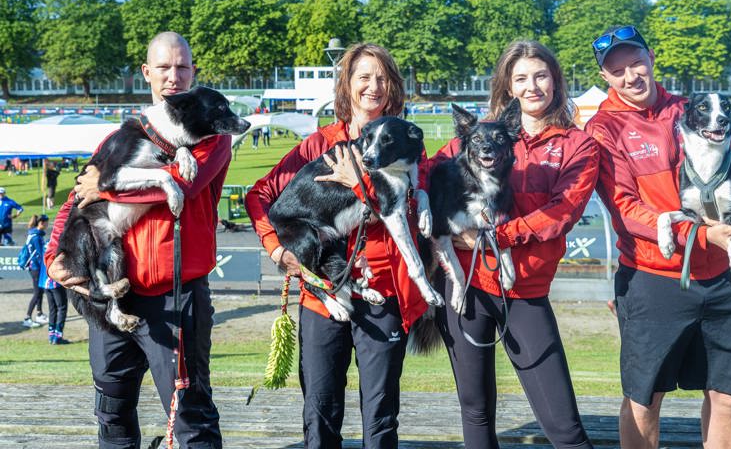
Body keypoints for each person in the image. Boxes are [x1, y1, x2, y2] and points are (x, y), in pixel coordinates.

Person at [584, 25, 731, 449]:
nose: (631, 75)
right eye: (617, 70)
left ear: (651, 58)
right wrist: (706, 236)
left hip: (723, 276)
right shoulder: (603, 128)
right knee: (644, 400)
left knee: (729, 399)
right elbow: (627, 211)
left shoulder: (698, 109)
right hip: (654, 278)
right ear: (605, 79)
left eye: (636, 62)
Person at [45, 31, 226, 448]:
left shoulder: (211, 133)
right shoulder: (119, 137)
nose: (173, 77)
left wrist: (105, 187)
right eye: (163, 67)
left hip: (175, 297)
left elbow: (184, 184)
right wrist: (55, 253)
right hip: (115, 295)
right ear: (147, 72)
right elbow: (77, 197)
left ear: (194, 72)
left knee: (190, 417)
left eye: (182, 67)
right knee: (112, 411)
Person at [246, 42, 428, 449]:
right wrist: (277, 249)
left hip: (384, 294)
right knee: (321, 411)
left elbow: (416, 215)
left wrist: (359, 186)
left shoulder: (406, 143)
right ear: (347, 84)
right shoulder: (318, 144)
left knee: (381, 415)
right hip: (323, 299)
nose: (373, 86)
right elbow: (259, 195)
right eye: (363, 76)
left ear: (393, 86)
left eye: (382, 77)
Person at [427, 40, 598, 449]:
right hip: (465, 289)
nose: (532, 86)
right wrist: (439, 226)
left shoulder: (578, 145)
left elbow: (561, 214)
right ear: (507, 86)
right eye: (520, 78)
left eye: (541, 75)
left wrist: (492, 237)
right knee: (476, 411)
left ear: (555, 81)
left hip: (524, 292)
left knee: (564, 427)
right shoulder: (480, 136)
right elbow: (430, 173)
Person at [22, 215, 50, 328]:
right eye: (47, 223)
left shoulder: (33, 234)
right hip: (36, 268)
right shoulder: (36, 237)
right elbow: (41, 254)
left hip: (34, 268)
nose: (48, 225)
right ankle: (27, 317)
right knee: (37, 293)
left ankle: (39, 313)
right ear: (41, 223)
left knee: (40, 291)